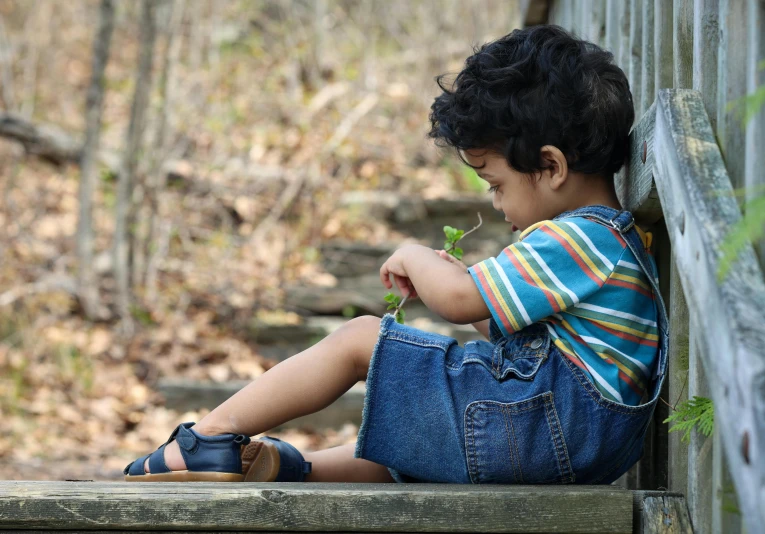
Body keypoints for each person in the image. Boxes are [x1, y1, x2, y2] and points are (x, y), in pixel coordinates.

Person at [124, 24, 668, 485]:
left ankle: (210, 439)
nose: (498, 204)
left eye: (496, 184)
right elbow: (501, 328)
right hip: (559, 439)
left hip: (546, 430)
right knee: (428, 435)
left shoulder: (580, 235)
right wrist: (472, 293)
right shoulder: (604, 246)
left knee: (362, 338)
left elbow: (456, 302)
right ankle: (297, 468)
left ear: (550, 167)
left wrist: (416, 256)